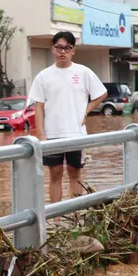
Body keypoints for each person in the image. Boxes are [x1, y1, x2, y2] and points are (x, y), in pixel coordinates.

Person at [29, 31, 107, 204]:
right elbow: (39, 106)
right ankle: (57, 218)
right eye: (59, 48)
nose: (62, 52)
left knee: (75, 173)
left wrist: (86, 110)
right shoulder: (43, 76)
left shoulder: (83, 72)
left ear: (73, 51)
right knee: (54, 175)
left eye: (67, 48)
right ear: (52, 50)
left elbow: (101, 94)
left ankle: (75, 216)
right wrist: (41, 134)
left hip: (76, 134)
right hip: (52, 135)